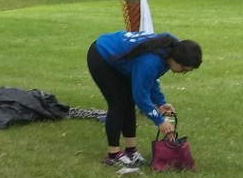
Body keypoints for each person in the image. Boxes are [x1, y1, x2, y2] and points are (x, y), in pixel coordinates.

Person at [87, 30, 202, 168]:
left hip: (119, 59)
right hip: (102, 55)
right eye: (184, 69)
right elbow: (141, 97)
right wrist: (159, 120)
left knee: (128, 103)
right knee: (118, 104)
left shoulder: (173, 50)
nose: (183, 73)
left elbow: (150, 79)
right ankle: (113, 155)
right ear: (176, 59)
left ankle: (131, 152)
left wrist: (161, 102)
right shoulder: (150, 61)